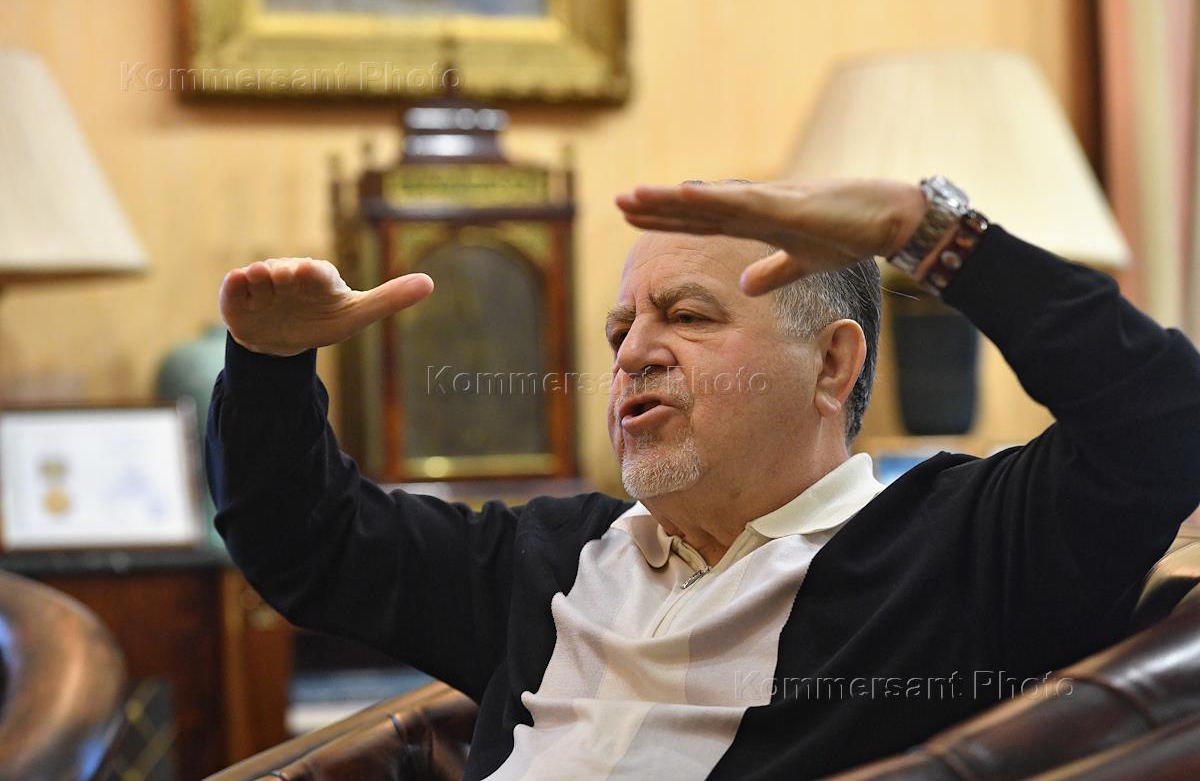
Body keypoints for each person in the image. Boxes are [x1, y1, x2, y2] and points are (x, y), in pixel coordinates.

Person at [206, 178, 1200, 780]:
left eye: (686, 316)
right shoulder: (548, 559)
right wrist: (269, 363)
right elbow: (307, 544)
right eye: (619, 331)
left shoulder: (954, 547)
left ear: (832, 364)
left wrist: (928, 228)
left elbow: (1165, 420)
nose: (635, 352)